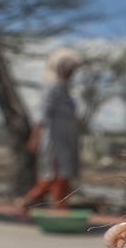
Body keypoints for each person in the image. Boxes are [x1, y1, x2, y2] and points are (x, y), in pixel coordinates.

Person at [21, 48, 83, 210]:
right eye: (70, 69)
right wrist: (35, 138)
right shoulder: (53, 87)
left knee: (61, 177)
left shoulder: (64, 89)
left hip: (65, 141)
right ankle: (56, 210)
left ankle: (33, 206)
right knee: (57, 176)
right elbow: (43, 115)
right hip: (55, 142)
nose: (72, 73)